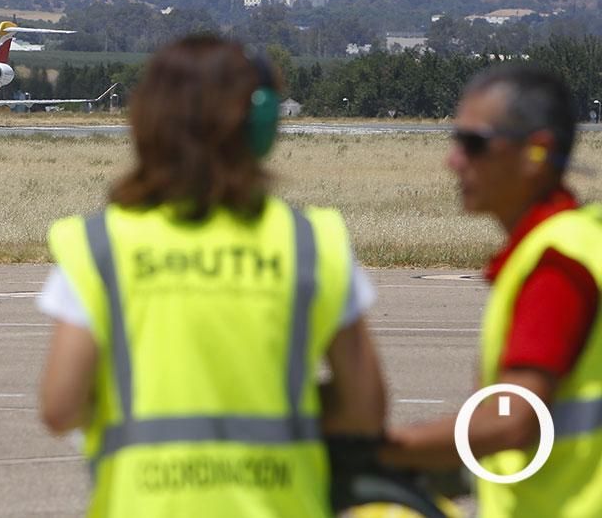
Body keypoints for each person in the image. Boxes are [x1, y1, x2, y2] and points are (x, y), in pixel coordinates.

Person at [37, 36, 387, 517]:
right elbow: (365, 407)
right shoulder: (312, 242)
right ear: (262, 124)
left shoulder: (100, 246)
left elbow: (61, 407)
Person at [381, 65, 602, 517]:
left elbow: (516, 419)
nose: (454, 160)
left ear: (536, 152)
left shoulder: (557, 264)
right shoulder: (577, 241)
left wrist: (387, 448)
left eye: (474, 144)